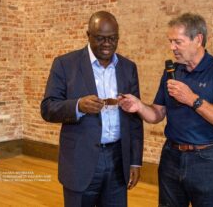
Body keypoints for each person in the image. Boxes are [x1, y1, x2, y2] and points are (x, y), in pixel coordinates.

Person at [119, 13, 213, 207]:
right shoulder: (172, 72)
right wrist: (139, 106)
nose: (172, 48)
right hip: (171, 157)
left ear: (198, 39)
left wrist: (192, 99)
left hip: (208, 160)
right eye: (170, 41)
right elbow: (157, 114)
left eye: (178, 41)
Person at [41, 11, 143, 207]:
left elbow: (134, 118)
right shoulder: (65, 64)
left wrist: (135, 161)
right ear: (88, 35)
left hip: (117, 161)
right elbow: (47, 108)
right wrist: (78, 106)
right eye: (100, 38)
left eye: (112, 38)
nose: (107, 44)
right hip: (80, 162)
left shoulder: (128, 67)